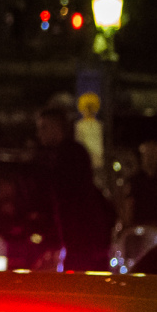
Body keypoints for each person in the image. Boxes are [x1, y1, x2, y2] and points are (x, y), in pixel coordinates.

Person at [34, 104, 114, 269]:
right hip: (85, 238)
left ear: (56, 127)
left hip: (79, 238)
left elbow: (67, 201)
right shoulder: (73, 153)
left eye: (44, 127)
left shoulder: (64, 157)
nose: (39, 134)